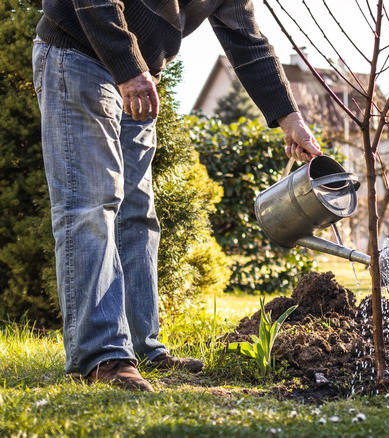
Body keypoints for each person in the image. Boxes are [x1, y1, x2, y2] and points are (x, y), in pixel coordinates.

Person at [32, 0, 322, 392]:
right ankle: (101, 356)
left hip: (137, 74)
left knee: (137, 215)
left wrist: (292, 119)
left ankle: (144, 347)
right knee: (92, 206)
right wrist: (129, 67)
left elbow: (248, 42)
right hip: (80, 53)